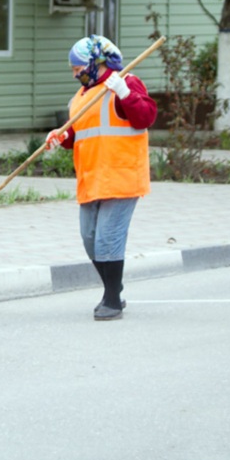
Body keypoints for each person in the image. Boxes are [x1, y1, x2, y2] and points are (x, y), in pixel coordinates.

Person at [45, 35, 157, 321]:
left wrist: (125, 93)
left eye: (78, 67)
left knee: (108, 238)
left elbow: (145, 117)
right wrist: (61, 136)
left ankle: (112, 300)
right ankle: (113, 285)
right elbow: (79, 132)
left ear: (95, 63)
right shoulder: (80, 97)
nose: (75, 73)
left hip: (122, 175)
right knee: (90, 238)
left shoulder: (126, 82)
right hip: (92, 176)